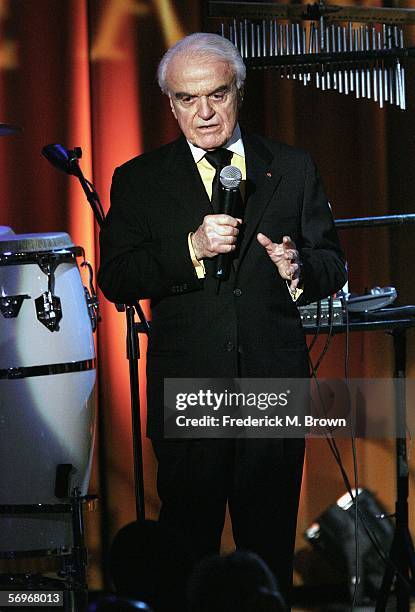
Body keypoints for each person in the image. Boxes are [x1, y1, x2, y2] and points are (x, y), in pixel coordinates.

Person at [98, 32, 346, 606]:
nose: (204, 112)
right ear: (171, 104)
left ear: (239, 91)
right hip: (190, 389)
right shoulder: (139, 178)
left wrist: (298, 269)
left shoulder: (290, 166)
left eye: (216, 94)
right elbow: (117, 277)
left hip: (270, 384)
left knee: (268, 550)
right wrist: (191, 246)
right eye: (187, 99)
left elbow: (332, 262)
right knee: (188, 553)